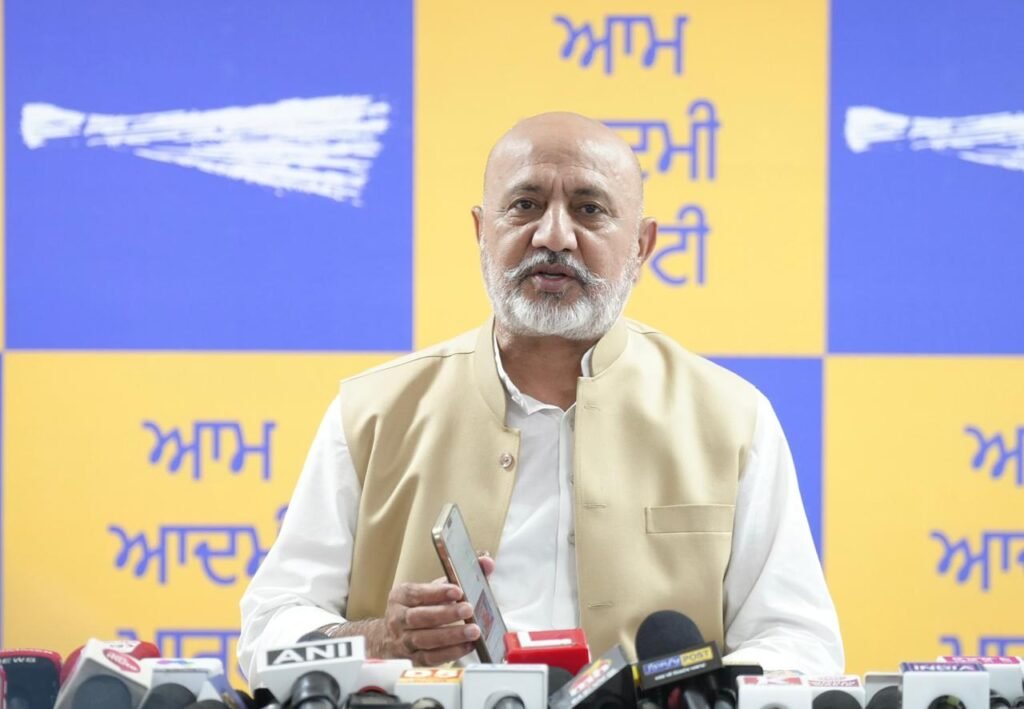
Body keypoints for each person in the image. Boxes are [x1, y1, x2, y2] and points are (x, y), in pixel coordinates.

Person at [238, 112, 844, 683]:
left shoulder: (731, 418)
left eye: (589, 209)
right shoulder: (374, 412)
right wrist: (381, 640)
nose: (554, 235)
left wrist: (688, 693)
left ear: (642, 246)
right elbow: (267, 637)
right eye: (525, 206)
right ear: (482, 231)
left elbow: (800, 642)